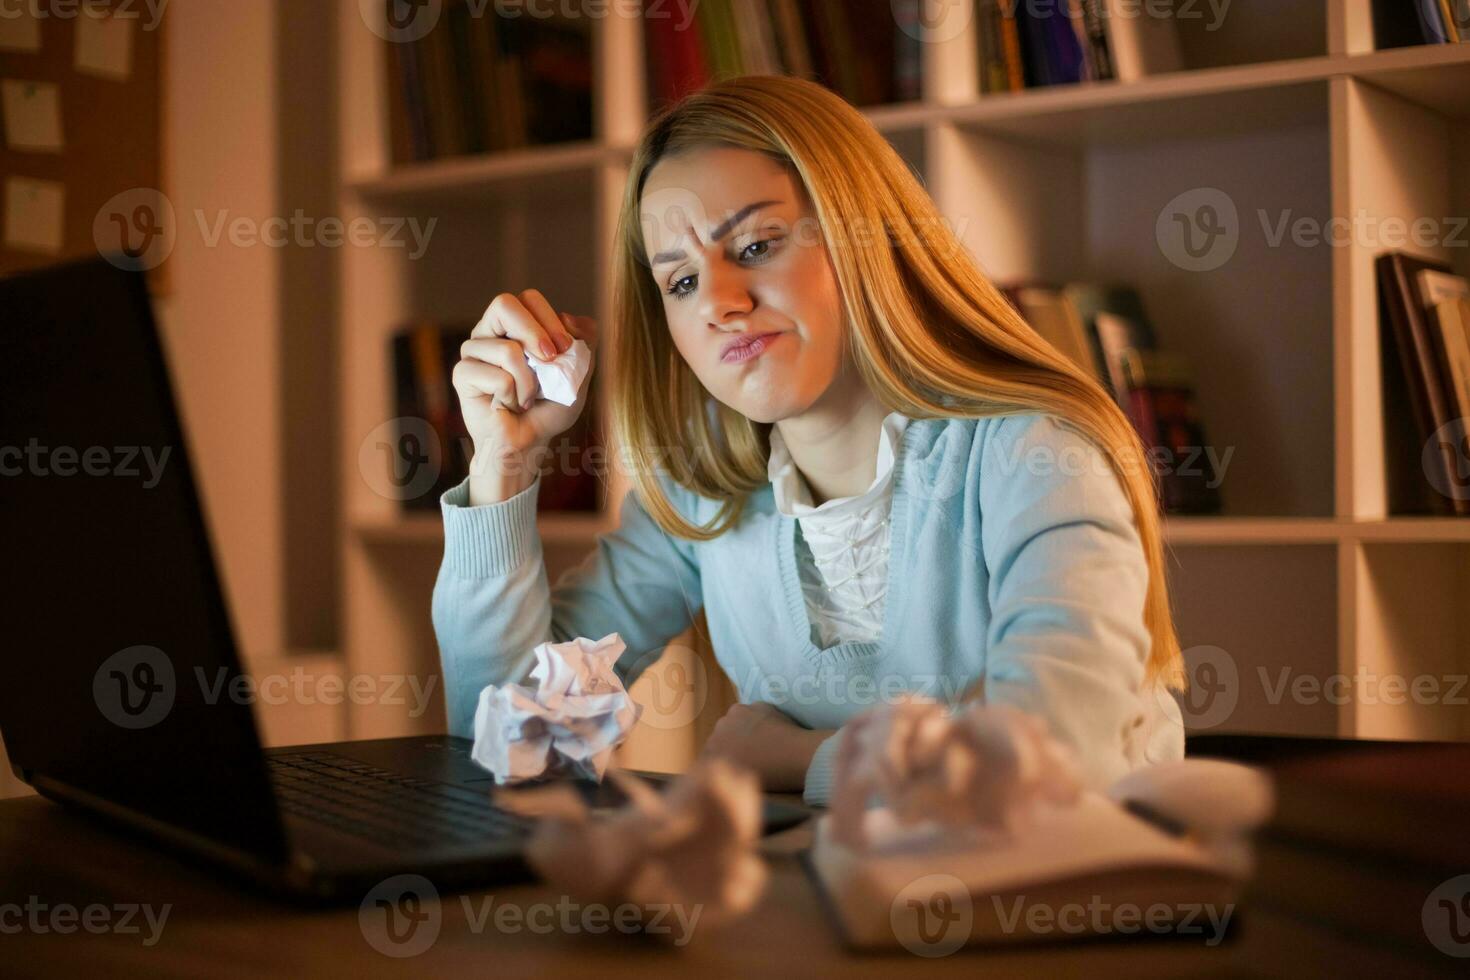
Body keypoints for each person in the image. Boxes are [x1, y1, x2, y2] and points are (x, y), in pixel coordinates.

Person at [433, 74, 1184, 805]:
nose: (722, 304)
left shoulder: (1034, 454)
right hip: (825, 908)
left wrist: (800, 761)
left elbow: (1045, 774)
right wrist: (504, 462)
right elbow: (514, 750)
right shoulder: (707, 496)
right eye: (682, 283)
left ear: (866, 240)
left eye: (757, 246)